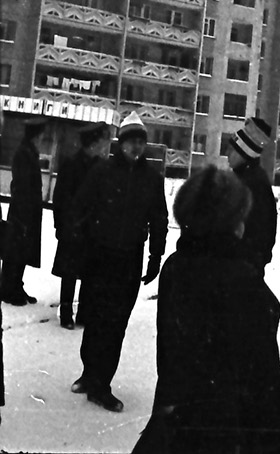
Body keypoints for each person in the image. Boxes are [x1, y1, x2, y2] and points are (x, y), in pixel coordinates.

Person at [133, 166, 280, 453]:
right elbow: (262, 376)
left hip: (178, 417)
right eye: (241, 216)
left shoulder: (176, 267)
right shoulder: (241, 278)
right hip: (231, 429)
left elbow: (170, 351)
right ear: (231, 224)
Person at [71, 112, 168, 413]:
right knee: (96, 318)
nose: (136, 147)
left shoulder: (152, 179)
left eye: (141, 142)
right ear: (121, 143)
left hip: (129, 260)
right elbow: (80, 207)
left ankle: (102, 384)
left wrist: (155, 256)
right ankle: (90, 375)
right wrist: (84, 240)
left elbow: (159, 219)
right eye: (131, 141)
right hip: (100, 257)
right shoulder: (102, 172)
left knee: (116, 324)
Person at [52, 124, 110, 328]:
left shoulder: (100, 167)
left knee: (88, 273)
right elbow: (59, 198)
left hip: (90, 230)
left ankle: (83, 313)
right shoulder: (73, 166)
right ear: (93, 143)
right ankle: (66, 314)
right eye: (101, 142)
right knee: (70, 274)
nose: (103, 146)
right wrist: (60, 225)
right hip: (74, 228)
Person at [2, 118, 49, 306]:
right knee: (15, 252)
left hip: (27, 211)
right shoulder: (24, 154)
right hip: (22, 212)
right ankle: (8, 289)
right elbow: (22, 185)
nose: (42, 138)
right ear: (35, 135)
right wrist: (25, 212)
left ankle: (15, 285)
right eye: (41, 135)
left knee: (21, 251)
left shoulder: (29, 152)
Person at [226, 117, 277, 271]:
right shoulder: (247, 179)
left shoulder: (251, 184)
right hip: (243, 267)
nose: (227, 153)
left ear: (244, 152)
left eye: (232, 149)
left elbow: (258, 234)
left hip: (241, 269)